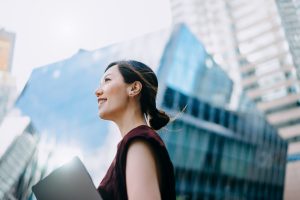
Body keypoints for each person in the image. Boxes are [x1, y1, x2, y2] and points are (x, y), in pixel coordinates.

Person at [94, 60, 176, 200]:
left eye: (107, 80)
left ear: (134, 88)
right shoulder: (133, 142)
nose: (97, 91)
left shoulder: (139, 140)